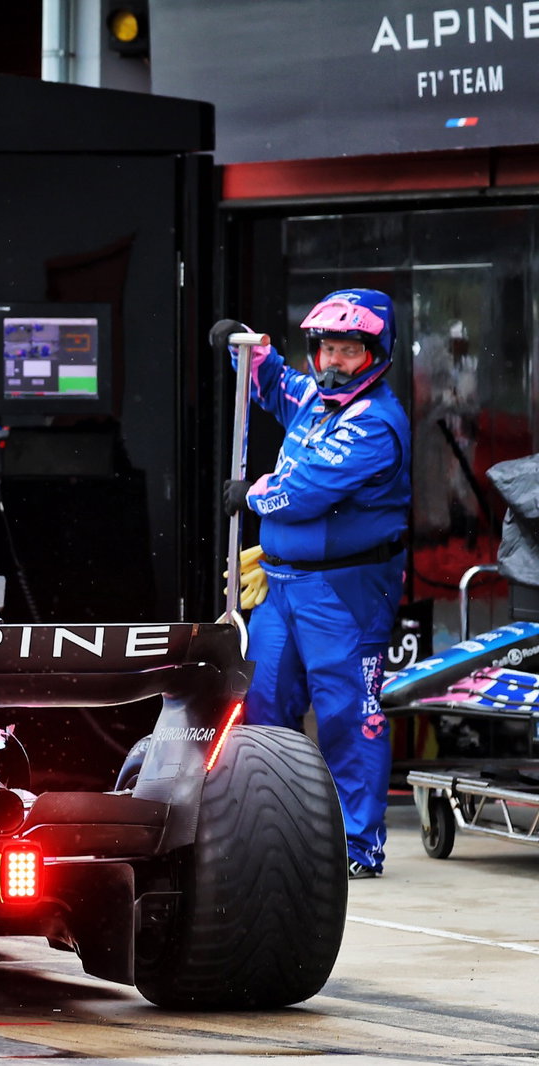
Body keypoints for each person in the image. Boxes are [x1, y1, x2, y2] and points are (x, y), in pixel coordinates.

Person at [215, 288, 411, 880]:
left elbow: (305, 494)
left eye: (348, 350)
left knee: (349, 717)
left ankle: (357, 845)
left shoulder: (377, 422)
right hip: (282, 588)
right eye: (326, 348)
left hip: (347, 596)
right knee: (265, 708)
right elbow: (275, 384)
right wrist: (245, 347)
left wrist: (250, 493)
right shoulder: (316, 399)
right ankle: (267, 834)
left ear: (375, 353)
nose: (332, 362)